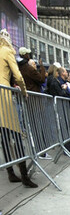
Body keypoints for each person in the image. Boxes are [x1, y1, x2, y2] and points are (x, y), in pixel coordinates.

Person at [0, 30, 37, 188]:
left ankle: (11, 173)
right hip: (5, 98)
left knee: (5, 138)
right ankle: (24, 176)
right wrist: (23, 91)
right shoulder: (7, 51)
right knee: (15, 136)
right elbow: (18, 75)